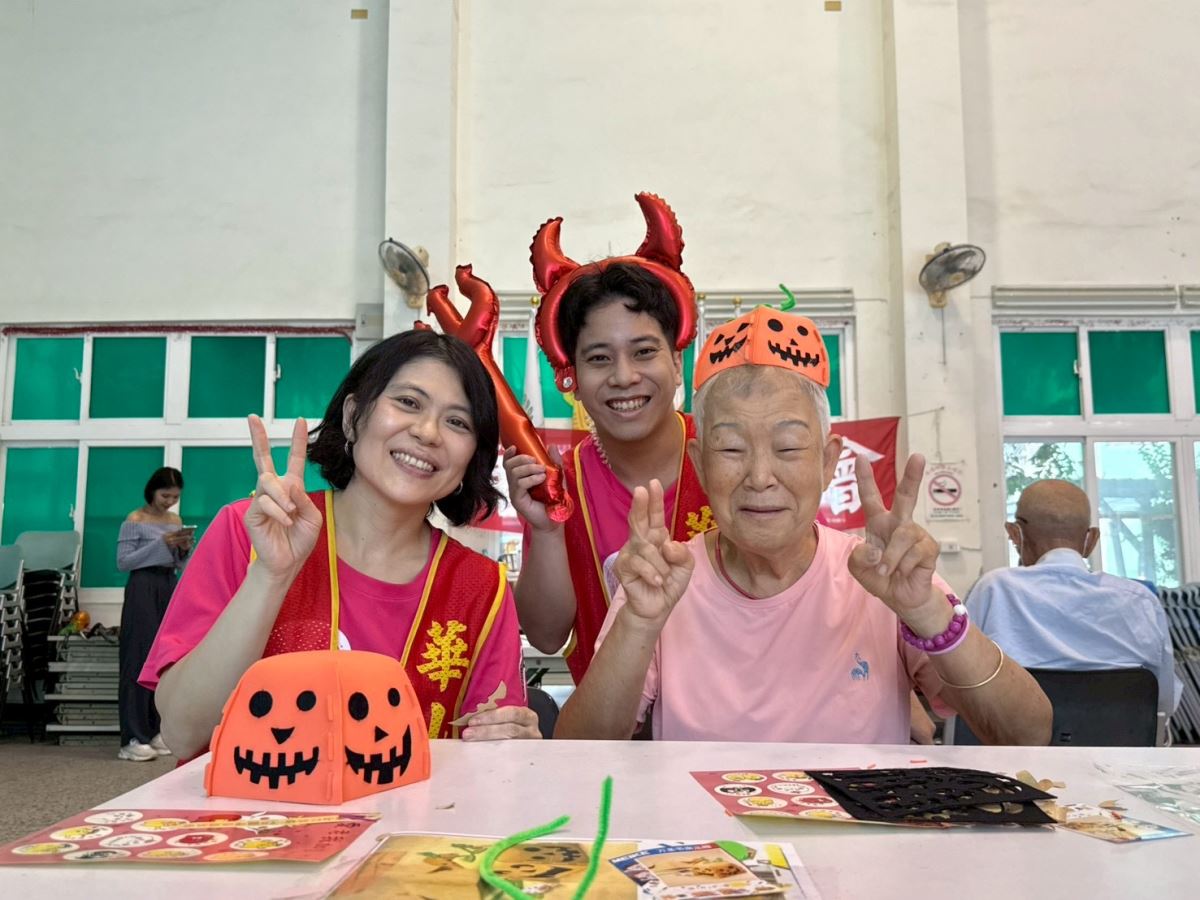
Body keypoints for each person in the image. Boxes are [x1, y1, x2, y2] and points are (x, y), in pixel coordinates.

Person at [555, 307, 1052, 744]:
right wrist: (638, 623)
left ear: (828, 461)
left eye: (788, 447)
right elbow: (578, 753)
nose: (760, 477)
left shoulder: (880, 576)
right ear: (700, 464)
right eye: (731, 449)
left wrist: (927, 612)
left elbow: (1026, 733)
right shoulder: (663, 582)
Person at [142, 330, 540, 761]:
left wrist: (513, 743)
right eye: (408, 402)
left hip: (411, 808)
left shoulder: (480, 587)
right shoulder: (252, 533)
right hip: (249, 806)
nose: (428, 432)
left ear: (472, 457)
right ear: (353, 417)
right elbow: (183, 733)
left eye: (458, 422)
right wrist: (270, 576)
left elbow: (490, 759)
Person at [505, 194, 710, 682]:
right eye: (599, 358)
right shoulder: (561, 485)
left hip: (733, 721)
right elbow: (546, 636)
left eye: (644, 352)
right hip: (610, 724)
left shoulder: (725, 453)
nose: (623, 377)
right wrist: (547, 529)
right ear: (571, 377)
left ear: (676, 362)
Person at [969, 479, 1181, 720]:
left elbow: (959, 681)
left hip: (1012, 741)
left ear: (1016, 534)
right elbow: (1163, 701)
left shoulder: (994, 589)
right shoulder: (1140, 601)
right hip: (1118, 741)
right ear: (1092, 539)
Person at [116, 466, 191, 761]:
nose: (169, 502)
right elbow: (124, 562)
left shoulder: (175, 521)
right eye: (165, 495)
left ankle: (157, 730)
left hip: (168, 584)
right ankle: (132, 737)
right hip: (142, 586)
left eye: (175, 497)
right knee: (138, 656)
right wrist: (161, 544)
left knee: (165, 658)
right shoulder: (134, 520)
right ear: (152, 491)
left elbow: (178, 564)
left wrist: (182, 549)